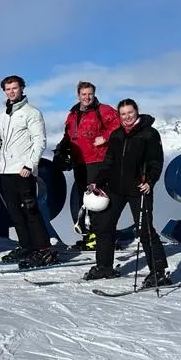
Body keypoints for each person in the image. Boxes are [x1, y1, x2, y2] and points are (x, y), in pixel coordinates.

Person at [83, 98, 171, 287]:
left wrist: (150, 181)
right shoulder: (116, 135)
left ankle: (158, 273)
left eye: (130, 112)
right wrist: (96, 182)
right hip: (115, 189)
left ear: (137, 111)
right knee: (104, 227)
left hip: (139, 188)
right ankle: (104, 267)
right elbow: (108, 162)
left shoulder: (149, 134)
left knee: (145, 230)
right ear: (119, 115)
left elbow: (156, 161)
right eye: (123, 114)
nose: (127, 117)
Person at [0, 75, 58, 269]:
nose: (11, 92)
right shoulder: (5, 114)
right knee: (15, 212)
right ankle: (26, 245)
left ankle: (44, 249)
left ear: (22, 88)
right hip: (6, 170)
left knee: (30, 210)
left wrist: (30, 165)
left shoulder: (31, 113)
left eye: (15, 88)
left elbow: (40, 141)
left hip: (23, 171)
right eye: (8, 89)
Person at [55, 81, 120, 249]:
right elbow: (69, 136)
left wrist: (105, 137)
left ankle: (103, 237)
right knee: (85, 202)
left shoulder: (103, 110)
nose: (87, 97)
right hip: (80, 163)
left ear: (94, 94)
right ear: (78, 95)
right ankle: (90, 237)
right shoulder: (73, 114)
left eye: (90, 93)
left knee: (97, 200)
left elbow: (119, 124)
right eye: (84, 94)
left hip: (98, 161)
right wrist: (61, 149)